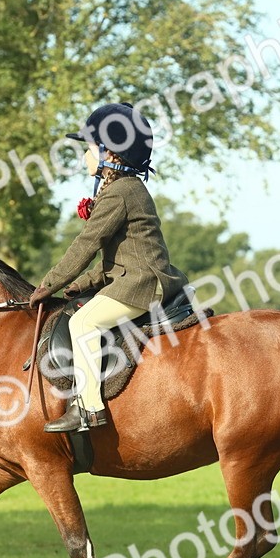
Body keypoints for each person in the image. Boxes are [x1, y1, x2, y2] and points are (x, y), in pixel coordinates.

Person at [28, 102, 188, 433]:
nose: (85, 156)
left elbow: (86, 244)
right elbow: (112, 262)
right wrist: (79, 284)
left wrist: (48, 285)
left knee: (84, 324)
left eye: (89, 148)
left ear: (109, 154)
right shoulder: (123, 189)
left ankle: (90, 409)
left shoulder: (120, 192)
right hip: (134, 277)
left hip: (143, 285)